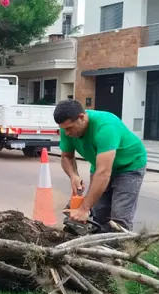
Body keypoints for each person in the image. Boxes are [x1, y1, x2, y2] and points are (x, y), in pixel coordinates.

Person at [54, 99, 148, 232]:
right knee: (99, 215)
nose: (67, 133)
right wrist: (73, 175)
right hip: (100, 167)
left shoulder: (105, 126)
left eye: (69, 128)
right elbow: (66, 156)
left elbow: (103, 173)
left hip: (129, 166)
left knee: (119, 219)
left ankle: (120, 249)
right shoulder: (67, 128)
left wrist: (84, 208)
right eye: (64, 129)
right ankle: (97, 249)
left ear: (82, 117)